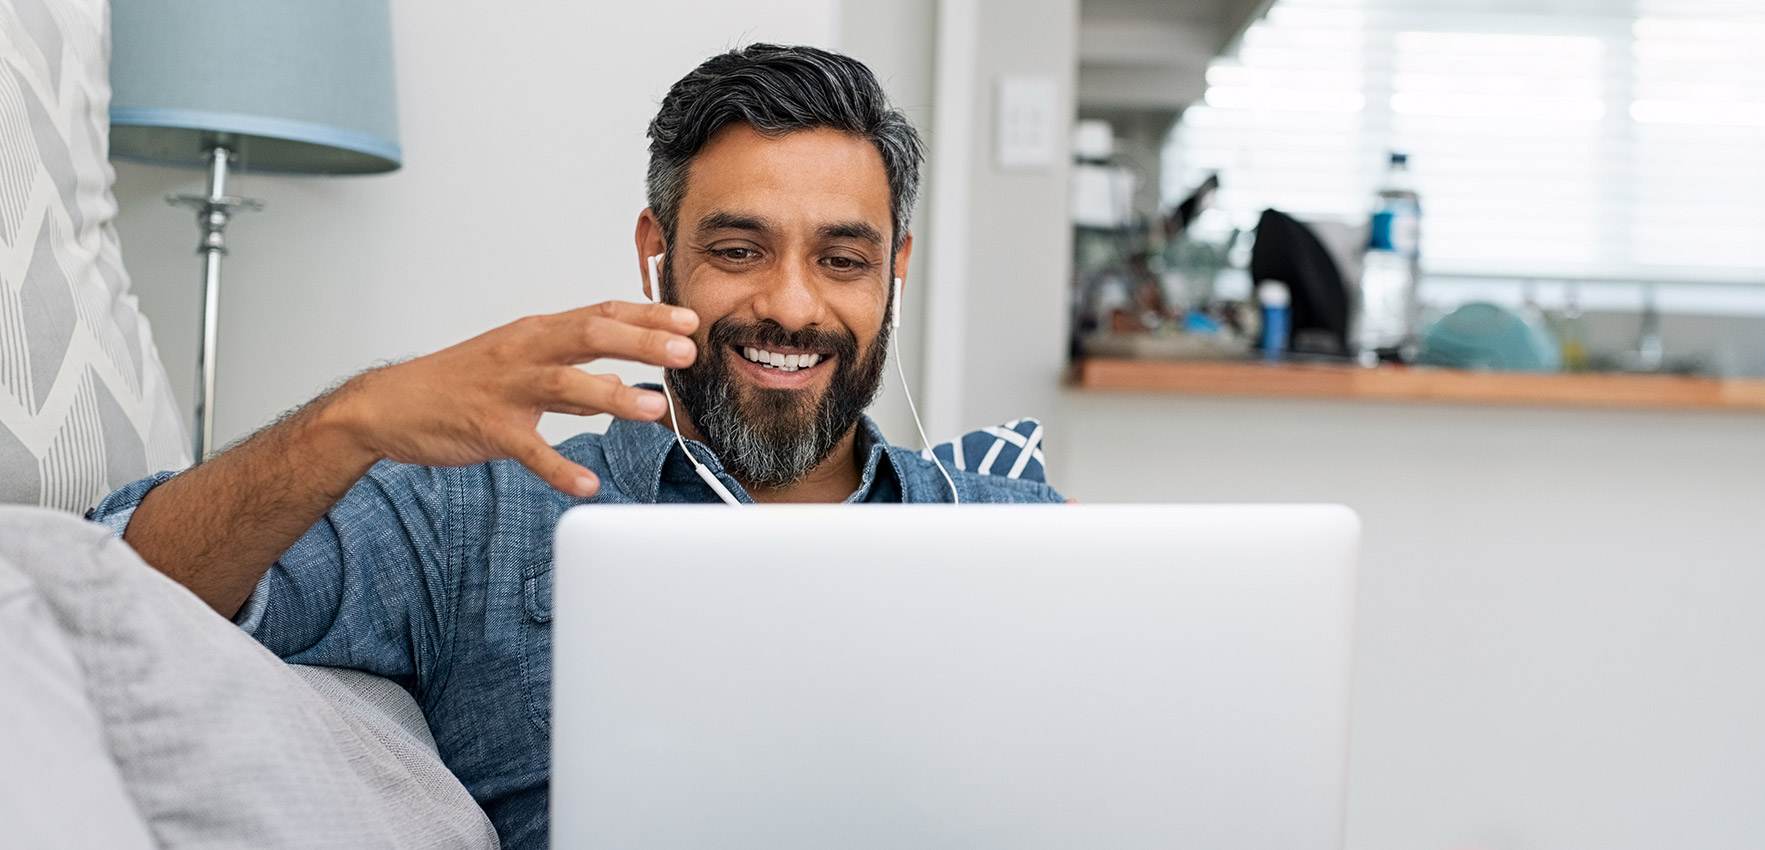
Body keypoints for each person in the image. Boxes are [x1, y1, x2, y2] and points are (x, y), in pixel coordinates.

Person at [92, 44, 1066, 850]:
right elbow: (114, 591)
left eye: (842, 260)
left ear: (893, 267)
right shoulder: (480, 508)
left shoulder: (1019, 536)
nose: (791, 304)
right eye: (738, 249)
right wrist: (352, 416)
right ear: (658, 250)